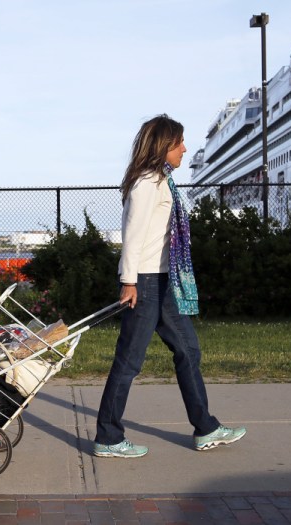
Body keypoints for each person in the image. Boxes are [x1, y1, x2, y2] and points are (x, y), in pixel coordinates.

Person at [93, 114, 246, 458]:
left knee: (188, 351)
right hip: (145, 283)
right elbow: (132, 237)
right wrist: (128, 282)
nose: (185, 149)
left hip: (161, 282)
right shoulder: (147, 184)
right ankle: (108, 437)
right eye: (179, 143)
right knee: (129, 361)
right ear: (164, 146)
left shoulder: (162, 182)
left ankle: (205, 428)